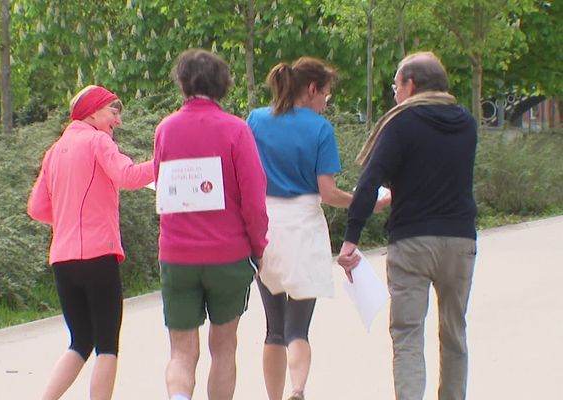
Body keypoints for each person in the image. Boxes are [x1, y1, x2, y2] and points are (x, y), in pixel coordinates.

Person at [338, 51, 478, 400]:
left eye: (396, 85)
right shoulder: (466, 122)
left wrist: (351, 238)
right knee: (454, 332)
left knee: (408, 335)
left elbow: (370, 181)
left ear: (410, 85)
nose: (395, 94)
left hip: (412, 240)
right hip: (460, 241)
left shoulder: (401, 123)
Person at [247, 57, 388, 400]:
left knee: (273, 329)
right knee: (298, 328)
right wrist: (370, 201)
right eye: (326, 93)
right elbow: (328, 193)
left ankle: (275, 397)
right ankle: (298, 388)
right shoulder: (320, 129)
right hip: (303, 228)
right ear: (311, 90)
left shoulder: (256, 120)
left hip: (265, 228)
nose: (327, 101)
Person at [153, 49, 268, 400]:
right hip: (228, 255)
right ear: (223, 84)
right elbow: (253, 196)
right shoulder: (236, 130)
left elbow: (161, 184)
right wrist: (258, 248)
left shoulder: (165, 130)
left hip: (178, 255)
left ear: (183, 83)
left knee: (181, 351)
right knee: (224, 347)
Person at [27, 84, 154, 400]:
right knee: (107, 344)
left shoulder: (55, 151)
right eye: (114, 110)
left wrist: (70, 220)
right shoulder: (98, 141)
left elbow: (37, 208)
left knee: (80, 341)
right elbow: (128, 176)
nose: (118, 121)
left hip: (63, 259)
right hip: (99, 256)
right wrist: (164, 161)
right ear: (93, 111)